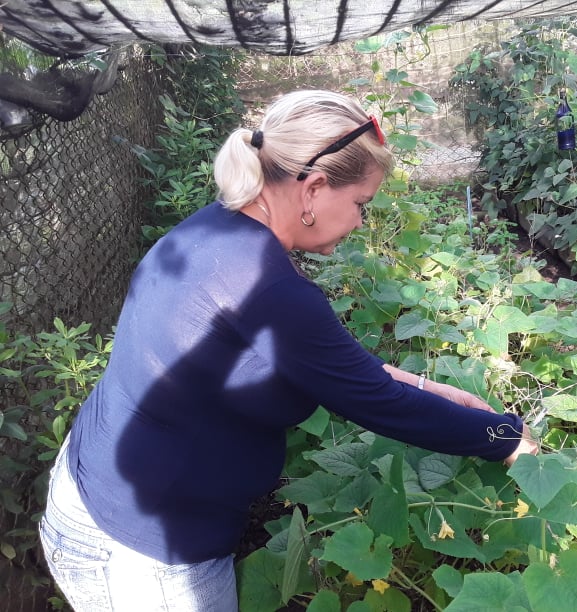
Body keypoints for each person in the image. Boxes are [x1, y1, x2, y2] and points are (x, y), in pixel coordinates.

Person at [39, 89, 539, 611]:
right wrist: (505, 439)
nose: (362, 223)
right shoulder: (268, 287)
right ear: (315, 188)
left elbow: (328, 364)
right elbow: (377, 404)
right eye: (361, 205)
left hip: (97, 491)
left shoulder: (217, 231)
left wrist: (427, 384)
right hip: (142, 549)